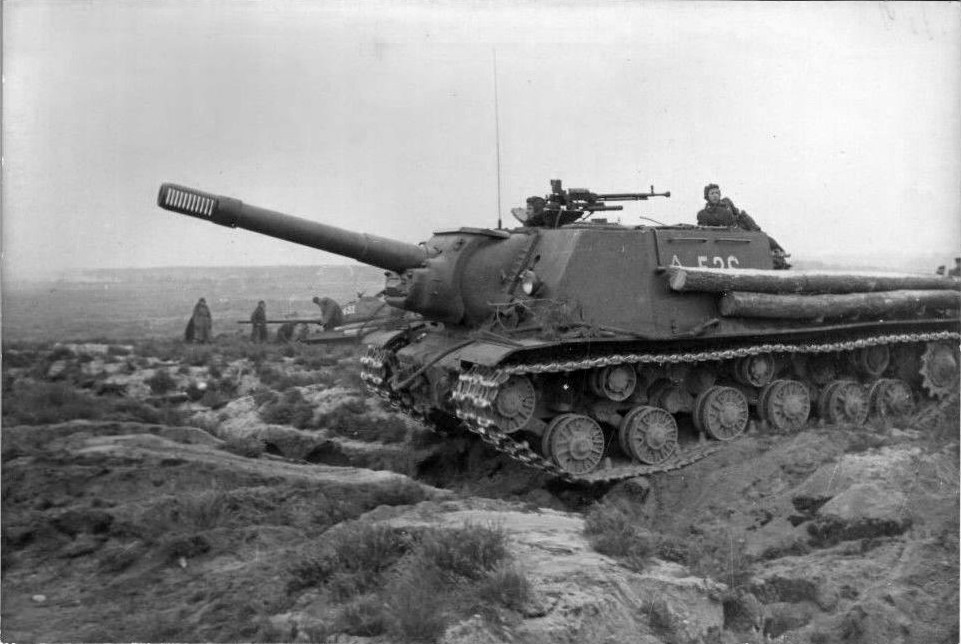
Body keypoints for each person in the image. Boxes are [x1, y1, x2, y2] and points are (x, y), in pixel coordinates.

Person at [697, 184, 791, 269]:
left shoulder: (727, 202)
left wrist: (754, 228)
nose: (715, 195)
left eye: (717, 193)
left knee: (764, 238)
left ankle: (779, 255)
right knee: (754, 242)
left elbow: (739, 215)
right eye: (712, 193)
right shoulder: (704, 213)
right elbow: (704, 228)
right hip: (727, 234)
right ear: (707, 196)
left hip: (739, 228)